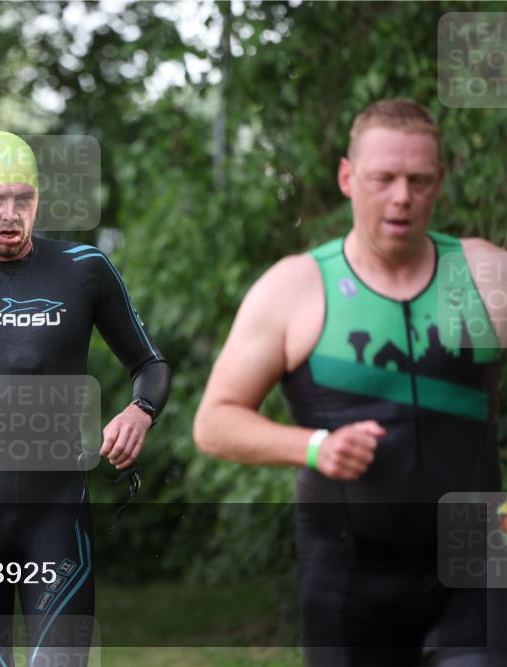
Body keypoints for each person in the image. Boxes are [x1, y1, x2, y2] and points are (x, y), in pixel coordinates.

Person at [193, 99, 506, 666]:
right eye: (383, 178)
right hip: (349, 579)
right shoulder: (297, 287)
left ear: (441, 181)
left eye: (419, 179)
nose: (402, 197)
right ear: (347, 177)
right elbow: (214, 422)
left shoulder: (484, 275)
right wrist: (314, 446)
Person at [0, 131, 171, 667]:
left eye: (24, 198)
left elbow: (150, 365)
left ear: (39, 200)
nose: (11, 213)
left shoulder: (84, 268)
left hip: (57, 518)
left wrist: (141, 410)